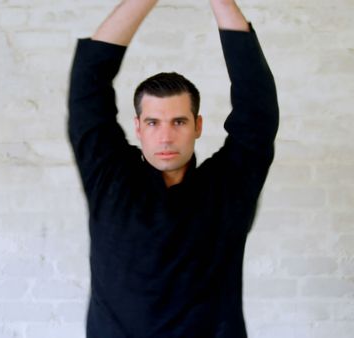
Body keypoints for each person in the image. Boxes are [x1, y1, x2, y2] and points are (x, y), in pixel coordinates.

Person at [67, 0, 279, 336]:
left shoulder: (227, 186)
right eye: (153, 122)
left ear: (197, 125)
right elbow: (87, 84)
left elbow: (258, 108)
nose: (165, 136)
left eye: (178, 121)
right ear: (138, 127)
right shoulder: (109, 179)